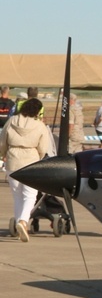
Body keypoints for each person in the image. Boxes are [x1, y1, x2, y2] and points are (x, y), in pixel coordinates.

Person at [0, 98, 54, 242]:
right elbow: (43, 148)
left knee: (17, 195)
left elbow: (2, 141)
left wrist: (4, 154)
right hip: (30, 159)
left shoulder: (11, 121)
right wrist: (39, 156)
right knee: (30, 195)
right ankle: (23, 221)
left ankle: (19, 225)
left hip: (12, 160)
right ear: (37, 111)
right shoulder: (40, 126)